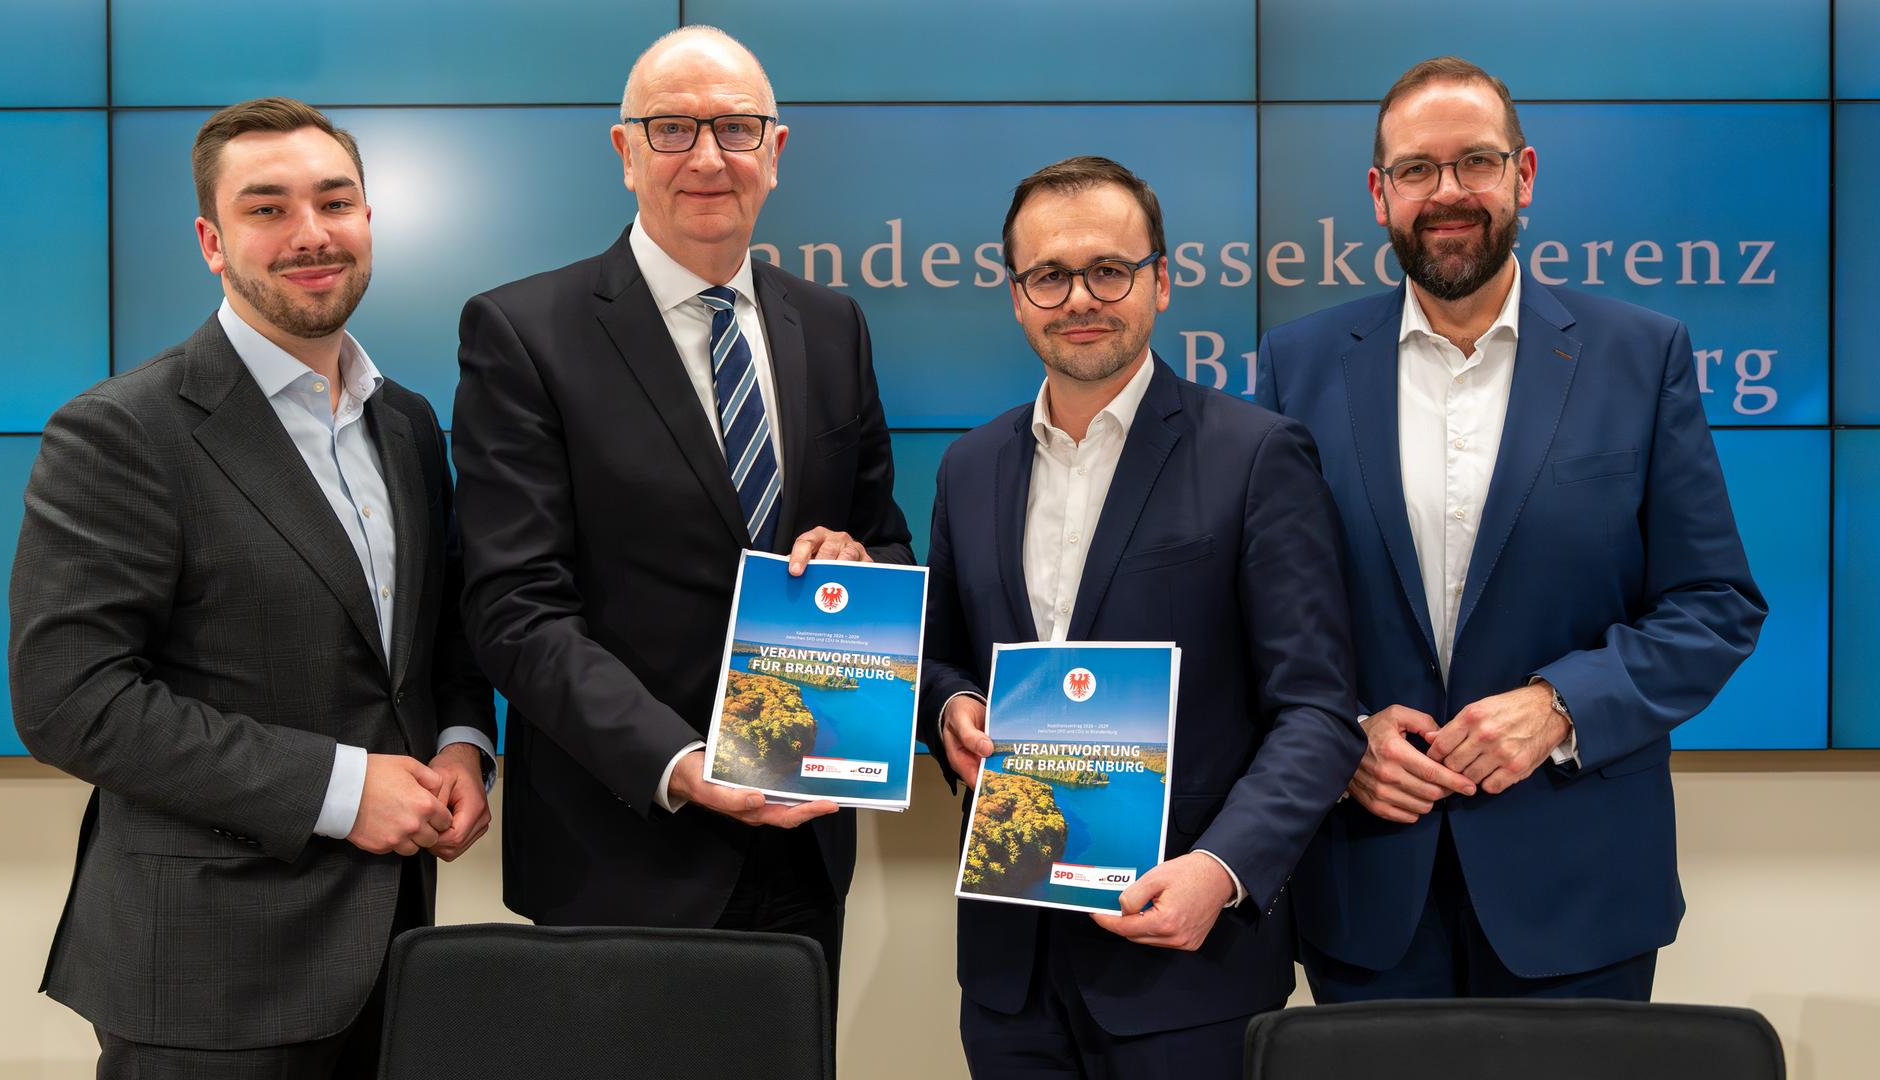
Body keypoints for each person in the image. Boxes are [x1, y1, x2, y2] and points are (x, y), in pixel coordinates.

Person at [1255, 56, 1767, 1002]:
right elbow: (1265, 612)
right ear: (1379, 193)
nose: (1447, 192)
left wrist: (1561, 706)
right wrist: (1344, 734)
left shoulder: (1641, 355)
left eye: (1476, 162)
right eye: (1417, 169)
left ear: (1523, 176)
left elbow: (1715, 606)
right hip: (1367, 883)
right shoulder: (1299, 364)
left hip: (1581, 886)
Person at [8, 97, 496, 1077]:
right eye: (267, 208)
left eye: (335, 202)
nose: (311, 233)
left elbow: (436, 632)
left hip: (393, 954)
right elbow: (71, 699)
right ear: (211, 242)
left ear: (368, 221)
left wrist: (462, 743)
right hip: (208, 978)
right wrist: (343, 789)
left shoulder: (405, 420)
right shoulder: (122, 431)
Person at [450, 26, 911, 1000]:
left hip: (803, 851)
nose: (707, 157)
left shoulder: (834, 326)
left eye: (736, 128)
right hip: (620, 852)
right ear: (625, 152)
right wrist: (680, 762)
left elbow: (887, 539)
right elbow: (514, 610)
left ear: (775, 152)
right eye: (672, 128)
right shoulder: (523, 332)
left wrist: (860, 563)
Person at [920, 155, 1362, 1078]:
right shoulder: (969, 468)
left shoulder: (1256, 455)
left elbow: (1318, 712)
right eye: (1050, 275)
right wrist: (952, 706)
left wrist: (1223, 871)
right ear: (1016, 296)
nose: (1080, 298)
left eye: (1109, 270)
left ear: (1160, 281)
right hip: (1010, 973)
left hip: (1189, 965)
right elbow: (946, 662)